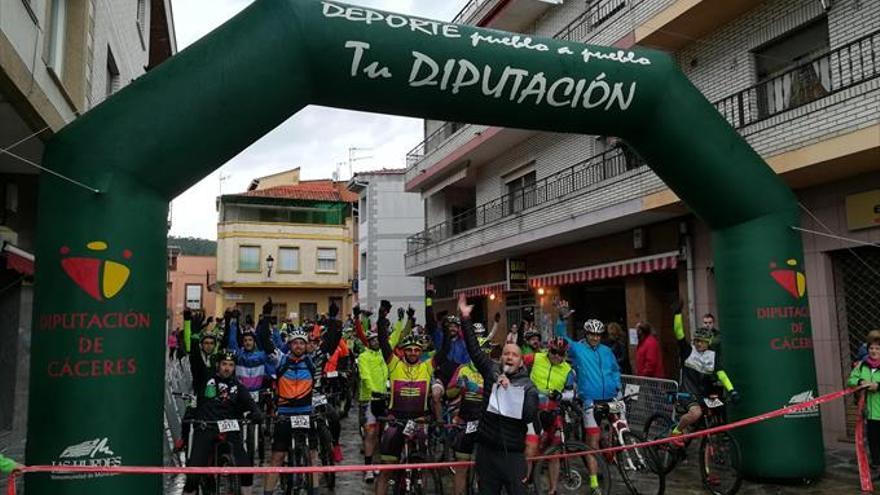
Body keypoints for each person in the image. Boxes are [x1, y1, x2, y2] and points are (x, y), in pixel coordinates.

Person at [460, 294, 538, 495]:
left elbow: (529, 416)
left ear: (521, 362)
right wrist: (465, 318)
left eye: (514, 355)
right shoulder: (491, 370)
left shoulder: (528, 386)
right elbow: (474, 350)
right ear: (500, 357)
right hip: (486, 452)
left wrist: (509, 391)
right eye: (506, 353)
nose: (509, 357)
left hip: (512, 454)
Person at [263, 302, 342, 493]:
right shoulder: (281, 359)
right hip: (284, 414)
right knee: (277, 458)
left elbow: (331, 342)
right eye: (295, 342)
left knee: (313, 456)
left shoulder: (311, 359)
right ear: (290, 345)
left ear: (306, 345)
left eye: (302, 342)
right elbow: (264, 342)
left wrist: (332, 319)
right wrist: (266, 317)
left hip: (306, 413)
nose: (298, 346)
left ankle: (314, 490)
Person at [554, 300, 619, 495]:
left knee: (619, 428)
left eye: (598, 335)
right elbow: (561, 339)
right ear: (586, 334)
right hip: (590, 400)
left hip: (610, 398)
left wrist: (617, 385)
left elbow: (616, 370)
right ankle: (593, 483)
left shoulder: (607, 351)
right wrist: (561, 320)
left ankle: (617, 453)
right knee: (593, 440)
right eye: (591, 334)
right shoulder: (578, 349)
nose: (595, 338)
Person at [183, 348, 262, 495]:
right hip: (206, 427)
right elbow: (195, 360)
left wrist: (256, 413)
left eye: (231, 365)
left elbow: (250, 403)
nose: (227, 368)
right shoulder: (205, 378)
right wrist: (193, 336)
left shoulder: (237, 386)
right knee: (193, 475)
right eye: (224, 364)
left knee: (246, 469)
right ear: (218, 364)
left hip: (230, 428)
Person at [375, 306, 435, 495]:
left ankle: (420, 486)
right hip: (396, 420)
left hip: (419, 420)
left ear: (421, 352)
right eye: (408, 350)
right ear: (404, 352)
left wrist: (429, 305)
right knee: (386, 469)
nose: (412, 353)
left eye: (416, 350)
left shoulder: (427, 367)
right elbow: (384, 343)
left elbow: (445, 349)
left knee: (423, 465)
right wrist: (380, 318)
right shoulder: (394, 364)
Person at [670, 304, 739, 447]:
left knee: (719, 408)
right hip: (687, 392)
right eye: (697, 341)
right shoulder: (688, 351)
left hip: (703, 393)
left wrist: (732, 390)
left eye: (703, 341)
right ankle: (676, 431)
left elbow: (721, 374)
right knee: (696, 413)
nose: (699, 344)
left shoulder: (712, 356)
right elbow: (679, 333)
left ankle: (700, 435)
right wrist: (677, 315)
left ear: (708, 342)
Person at [523, 336, 575, 495]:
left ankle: (552, 490)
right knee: (530, 448)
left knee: (555, 453)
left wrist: (561, 396)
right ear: (548, 350)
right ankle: (524, 483)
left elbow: (571, 393)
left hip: (552, 412)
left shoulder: (568, 370)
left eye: (561, 354)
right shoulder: (536, 357)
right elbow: (515, 360)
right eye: (553, 352)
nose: (556, 356)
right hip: (533, 410)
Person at [352, 305, 388, 483]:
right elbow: (365, 376)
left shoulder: (383, 354)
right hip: (369, 399)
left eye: (377, 340)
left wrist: (406, 320)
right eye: (372, 340)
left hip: (385, 399)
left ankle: (382, 465)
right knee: (370, 434)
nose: (375, 342)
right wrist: (374, 389)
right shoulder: (364, 356)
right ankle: (368, 468)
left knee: (384, 435)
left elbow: (396, 338)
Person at [850, 333, 880, 472]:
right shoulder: (862, 365)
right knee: (873, 442)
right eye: (872, 348)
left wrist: (878, 386)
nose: (874, 351)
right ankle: (876, 466)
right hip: (870, 413)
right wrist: (861, 382)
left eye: (878, 348)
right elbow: (851, 380)